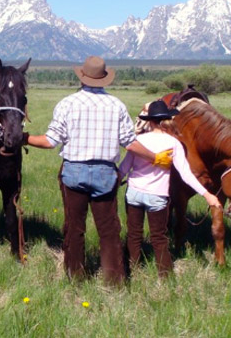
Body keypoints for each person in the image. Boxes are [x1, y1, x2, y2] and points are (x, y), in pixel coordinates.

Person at [25, 56, 173, 285]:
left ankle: (75, 277)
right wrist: (155, 158)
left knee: (74, 229)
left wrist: (24, 138)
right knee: (109, 230)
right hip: (105, 174)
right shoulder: (117, 106)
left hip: (74, 173)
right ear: (104, 79)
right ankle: (115, 282)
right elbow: (130, 143)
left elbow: (50, 141)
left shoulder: (67, 103)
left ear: (82, 77)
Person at [119, 100, 222, 277]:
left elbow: (123, 168)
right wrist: (207, 195)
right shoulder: (173, 143)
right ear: (166, 120)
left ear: (149, 121)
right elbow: (186, 174)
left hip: (134, 193)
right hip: (157, 197)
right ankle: (164, 276)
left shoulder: (138, 140)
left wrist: (110, 187)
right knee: (159, 238)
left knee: (134, 235)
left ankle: (134, 270)